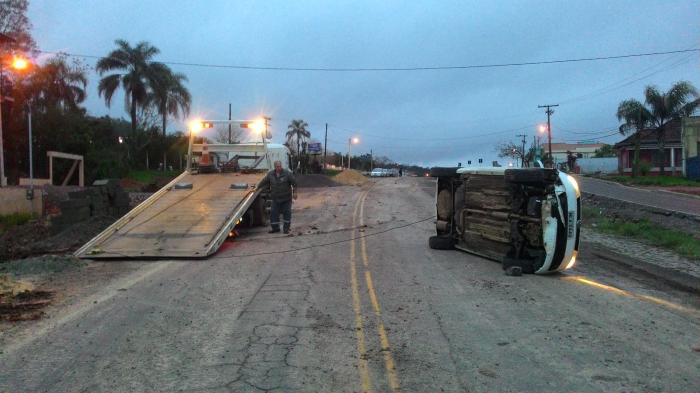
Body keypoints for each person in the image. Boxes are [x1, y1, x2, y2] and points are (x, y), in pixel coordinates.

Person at [258, 160, 297, 234]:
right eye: (277, 167)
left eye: (279, 166)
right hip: (275, 199)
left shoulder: (287, 173)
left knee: (287, 213)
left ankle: (286, 229)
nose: (278, 168)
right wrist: (257, 187)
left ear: (281, 166)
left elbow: (294, 183)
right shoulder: (270, 174)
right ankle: (275, 228)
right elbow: (263, 182)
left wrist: (295, 192)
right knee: (273, 213)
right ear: (274, 167)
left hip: (286, 198)